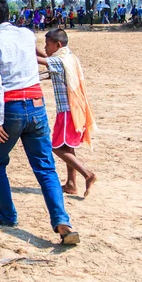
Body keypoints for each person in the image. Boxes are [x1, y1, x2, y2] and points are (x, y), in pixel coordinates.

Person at [0, 0, 79, 245]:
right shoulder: (26, 34)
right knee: (46, 168)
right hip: (36, 107)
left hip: (11, 111)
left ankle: (7, 215)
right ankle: (62, 221)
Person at [37, 29, 97, 198]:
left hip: (67, 111)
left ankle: (87, 174)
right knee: (67, 146)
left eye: (47, 44)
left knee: (55, 147)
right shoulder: (69, 57)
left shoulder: (59, 61)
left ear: (58, 45)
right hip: (75, 108)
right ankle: (71, 183)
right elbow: (47, 57)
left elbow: (41, 60)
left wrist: (22, 49)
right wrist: (32, 46)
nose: (45, 47)